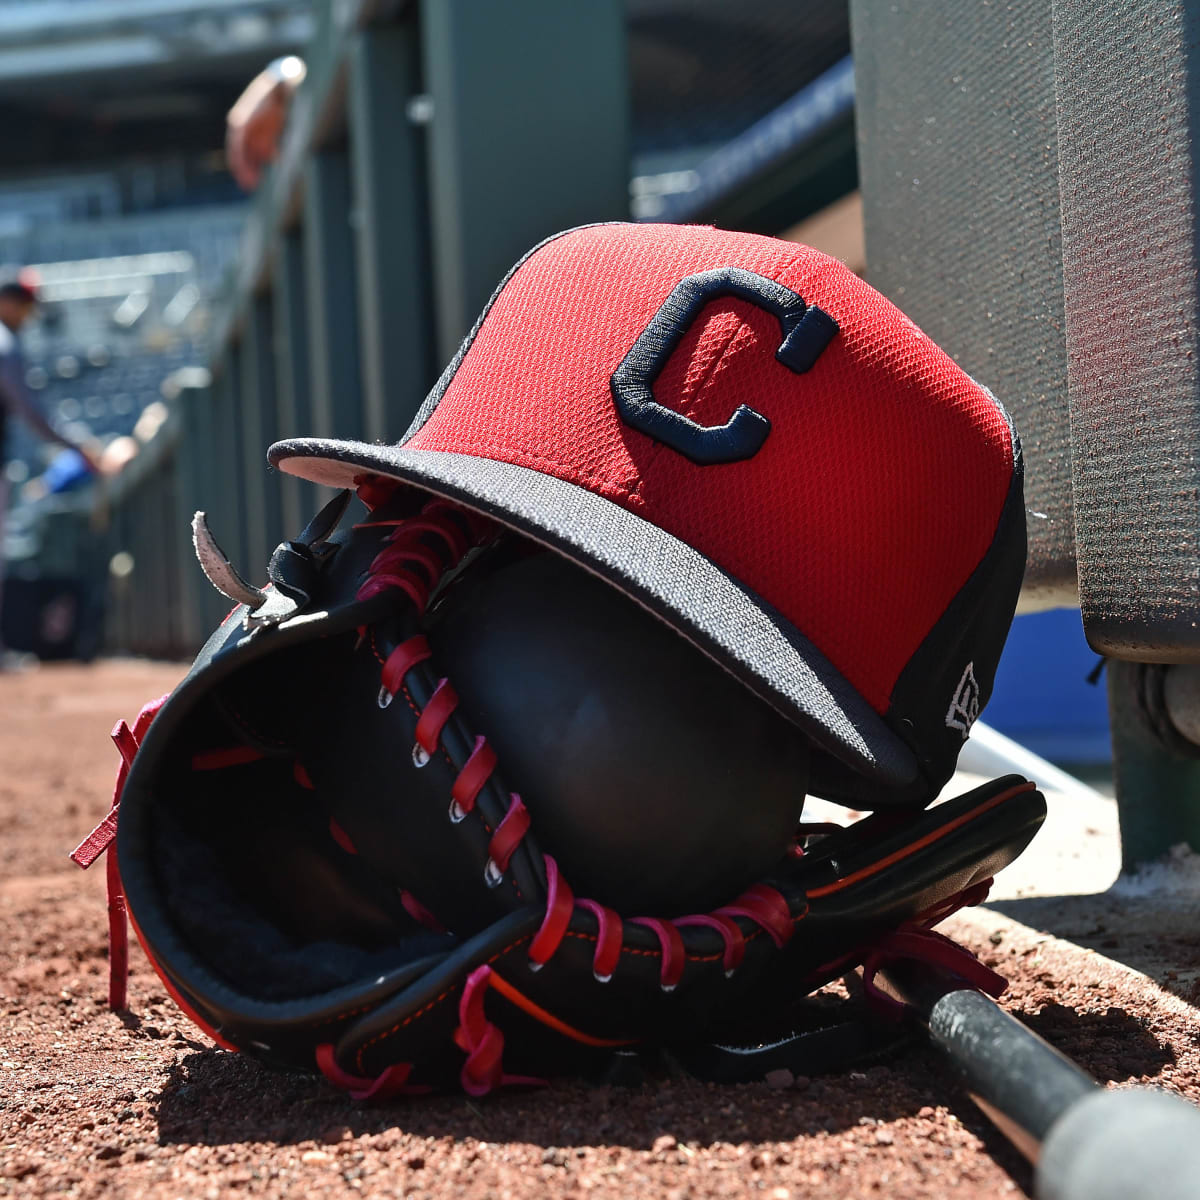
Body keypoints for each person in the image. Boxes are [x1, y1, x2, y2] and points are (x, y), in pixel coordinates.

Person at [0, 279, 99, 658]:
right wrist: (80, 448)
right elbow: (32, 413)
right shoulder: (5, 342)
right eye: (24, 305)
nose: (27, 315)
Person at [225, 55, 307, 192]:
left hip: (269, 159)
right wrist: (244, 169)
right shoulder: (266, 90)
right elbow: (237, 123)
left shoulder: (284, 100)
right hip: (253, 163)